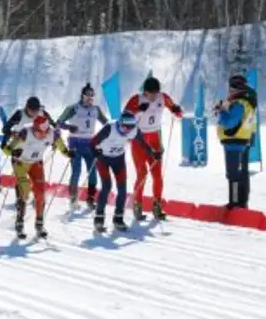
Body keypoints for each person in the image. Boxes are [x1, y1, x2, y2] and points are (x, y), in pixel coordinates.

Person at [1, 116, 73, 239]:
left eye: (45, 133)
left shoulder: (51, 133)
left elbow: (60, 144)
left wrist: (67, 153)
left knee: (40, 193)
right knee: (25, 188)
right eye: (39, 132)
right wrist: (13, 152)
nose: (42, 135)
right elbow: (5, 149)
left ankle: (39, 224)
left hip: (36, 164)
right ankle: (19, 223)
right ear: (34, 128)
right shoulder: (25, 132)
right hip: (21, 163)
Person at [123, 76, 183, 220]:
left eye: (156, 93)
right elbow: (124, 119)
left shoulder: (163, 98)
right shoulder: (136, 99)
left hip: (155, 139)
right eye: (151, 94)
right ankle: (137, 204)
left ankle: (157, 205)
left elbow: (178, 113)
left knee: (157, 175)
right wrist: (138, 110)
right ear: (145, 92)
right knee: (142, 173)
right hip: (139, 139)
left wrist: (177, 110)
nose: (154, 97)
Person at [91, 112, 160, 232]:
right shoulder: (109, 128)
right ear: (119, 123)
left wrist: (153, 153)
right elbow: (92, 143)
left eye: (131, 127)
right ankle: (99, 218)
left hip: (118, 159)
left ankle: (118, 218)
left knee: (122, 190)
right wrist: (95, 152)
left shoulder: (134, 130)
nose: (127, 130)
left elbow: (143, 144)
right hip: (103, 159)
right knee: (107, 187)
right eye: (125, 127)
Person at [56, 83, 109, 210]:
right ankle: (73, 199)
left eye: (92, 96)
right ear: (82, 96)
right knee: (76, 171)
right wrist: (69, 127)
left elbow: (106, 124)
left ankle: (90, 199)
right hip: (75, 142)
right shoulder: (73, 108)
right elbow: (58, 123)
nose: (90, 98)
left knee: (92, 171)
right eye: (88, 96)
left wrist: (104, 137)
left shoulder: (96, 109)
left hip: (90, 143)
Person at [215, 74, 257, 209]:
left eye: (230, 88)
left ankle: (234, 203)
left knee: (233, 174)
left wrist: (221, 112)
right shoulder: (247, 103)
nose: (229, 91)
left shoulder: (238, 103)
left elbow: (229, 123)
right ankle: (242, 202)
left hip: (234, 142)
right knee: (242, 172)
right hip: (243, 140)